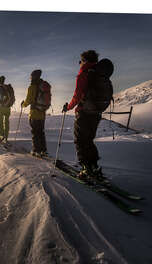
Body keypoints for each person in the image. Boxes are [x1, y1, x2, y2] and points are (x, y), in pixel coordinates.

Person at [63, 50, 103, 178]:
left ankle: (86, 168)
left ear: (84, 61)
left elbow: (77, 96)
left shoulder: (83, 74)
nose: (79, 64)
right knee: (88, 140)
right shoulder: (100, 73)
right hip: (96, 112)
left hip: (84, 112)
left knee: (80, 140)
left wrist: (68, 107)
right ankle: (94, 167)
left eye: (80, 61)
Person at [20, 69, 51, 157]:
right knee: (41, 132)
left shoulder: (32, 87)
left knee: (35, 132)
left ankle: (36, 150)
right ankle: (43, 150)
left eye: (31, 77)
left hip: (34, 113)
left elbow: (28, 100)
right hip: (42, 113)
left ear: (33, 77)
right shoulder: (44, 86)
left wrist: (23, 105)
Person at [0, 76, 14, 143]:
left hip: (2, 107)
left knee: (0, 122)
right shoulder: (8, 88)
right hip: (8, 107)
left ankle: (1, 136)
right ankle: (6, 138)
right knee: (6, 122)